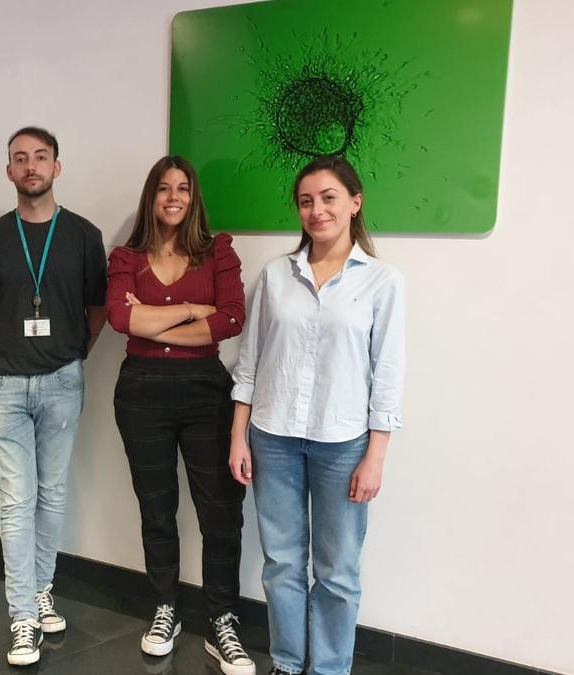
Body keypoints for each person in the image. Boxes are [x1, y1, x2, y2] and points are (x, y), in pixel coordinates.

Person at [228, 155, 405, 675]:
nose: (317, 210)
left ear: (354, 202)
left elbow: (387, 376)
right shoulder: (276, 276)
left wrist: (375, 456)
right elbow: (250, 363)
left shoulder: (382, 282)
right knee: (282, 564)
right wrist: (239, 436)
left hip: (343, 442)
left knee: (337, 570)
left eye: (328, 198)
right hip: (273, 437)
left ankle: (328, 668)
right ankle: (286, 662)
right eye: (306, 201)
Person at [106, 156, 255, 672]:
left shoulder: (218, 251)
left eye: (183, 188)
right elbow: (119, 317)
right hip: (141, 393)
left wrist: (153, 325)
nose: (173, 196)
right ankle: (166, 607)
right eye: (164, 188)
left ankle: (222, 621)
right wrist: (194, 311)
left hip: (205, 392)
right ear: (151, 196)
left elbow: (232, 317)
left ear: (194, 198)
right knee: (157, 508)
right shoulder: (127, 255)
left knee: (220, 512)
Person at [0, 127, 107, 666]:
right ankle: (23, 615)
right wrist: (14, 353)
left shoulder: (83, 235)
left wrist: (73, 353)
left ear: (57, 166)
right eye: (19, 159)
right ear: (8, 172)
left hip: (62, 382)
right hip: (3, 383)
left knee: (51, 494)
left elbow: (97, 308)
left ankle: (41, 589)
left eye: (40, 157)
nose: (31, 166)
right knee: (16, 499)